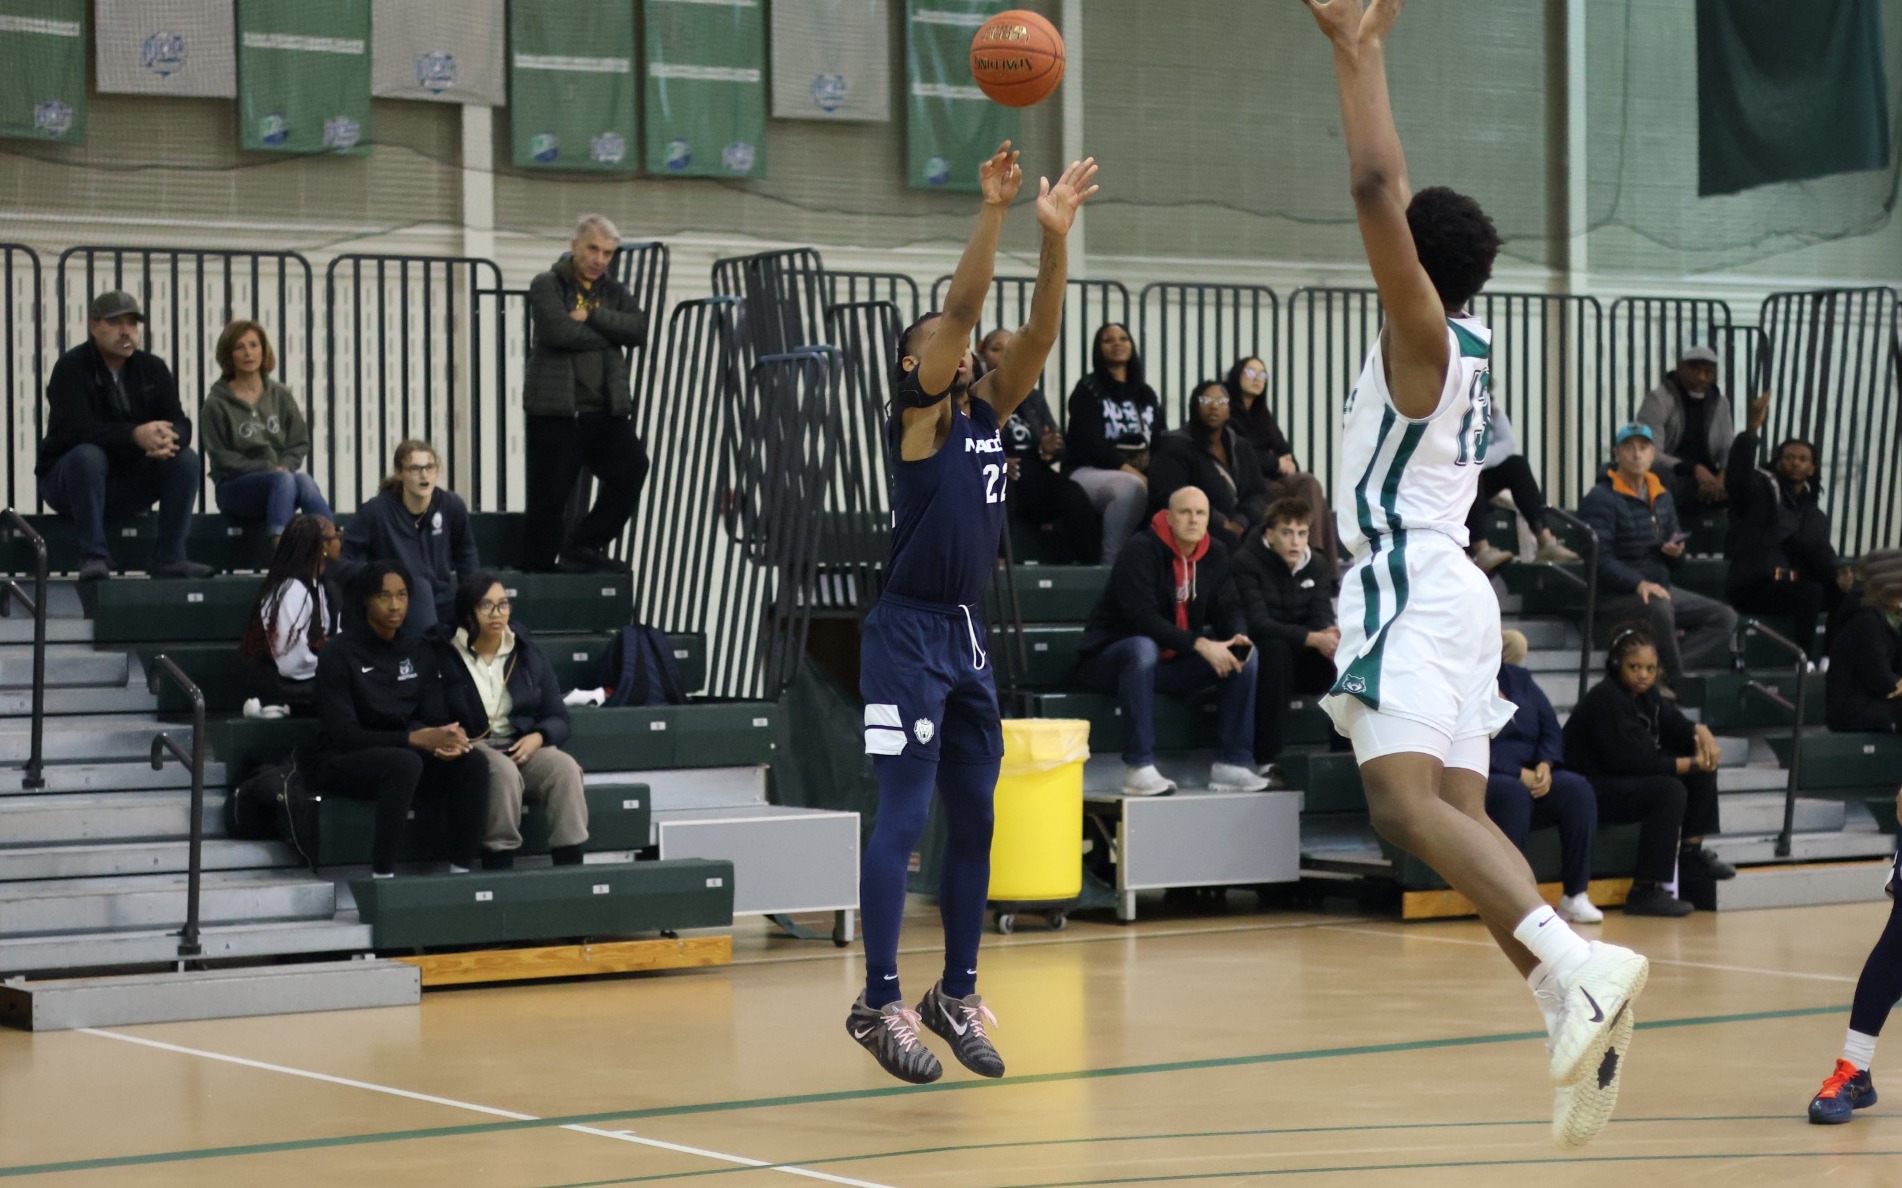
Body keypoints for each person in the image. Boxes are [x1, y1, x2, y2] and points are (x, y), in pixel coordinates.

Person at [1302, 0, 1647, 1151]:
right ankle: (1567, 1004)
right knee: (1455, 816)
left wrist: (1360, 54)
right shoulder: (1473, 349)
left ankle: (1579, 963)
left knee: (1401, 807)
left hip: (1407, 576)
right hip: (1454, 590)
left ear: (1416, 264)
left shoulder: (1424, 337)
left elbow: (1370, 190)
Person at [849, 144, 1097, 1086]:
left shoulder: (992, 414)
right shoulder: (915, 421)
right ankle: (878, 1002)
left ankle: (952, 993)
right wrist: (991, 211)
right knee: (905, 816)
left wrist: (1053, 237)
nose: (962, 347)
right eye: (943, 345)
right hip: (905, 632)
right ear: (917, 362)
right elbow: (963, 312)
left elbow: (1035, 332)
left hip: (963, 632)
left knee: (977, 819)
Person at [1074, 486, 1269, 797]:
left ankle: (1232, 762)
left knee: (1247, 653)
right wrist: (1202, 645)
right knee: (1142, 647)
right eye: (1185, 512)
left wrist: (1237, 636)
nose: (1193, 519)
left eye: (1200, 513)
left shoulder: (1215, 552)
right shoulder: (1141, 549)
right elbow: (1142, 618)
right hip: (1111, 660)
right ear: (1168, 516)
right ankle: (1139, 767)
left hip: (1171, 663)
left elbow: (1229, 605)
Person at [311, 561, 488, 878]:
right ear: (366, 599)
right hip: (344, 760)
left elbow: (432, 716)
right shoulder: (338, 652)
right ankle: (383, 878)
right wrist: (413, 739)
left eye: (403, 595)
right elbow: (343, 734)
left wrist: (445, 737)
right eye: (384, 596)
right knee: (403, 762)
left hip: (408, 756)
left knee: (472, 761)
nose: (395, 605)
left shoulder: (419, 648)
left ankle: (462, 872)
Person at [1562, 622, 1736, 918]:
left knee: (1700, 769)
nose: (1643, 675)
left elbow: (1676, 726)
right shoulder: (1605, 699)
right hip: (1590, 787)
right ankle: (1645, 890)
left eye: (1650, 668)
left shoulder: (1648, 696)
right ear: (1617, 664)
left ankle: (1692, 855)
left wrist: (1700, 732)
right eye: (1635, 667)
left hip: (1623, 779)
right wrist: (1692, 762)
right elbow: (1634, 762)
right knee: (1669, 790)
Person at [37, 291, 213, 582]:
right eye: (116, 322)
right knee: (88, 455)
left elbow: (180, 420)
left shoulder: (152, 368)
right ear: (94, 326)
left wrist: (169, 437)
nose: (126, 332)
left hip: (127, 480)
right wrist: (134, 435)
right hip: (68, 481)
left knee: (185, 460)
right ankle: (94, 555)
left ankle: (170, 557)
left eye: (132, 323)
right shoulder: (70, 368)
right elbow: (77, 429)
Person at [434, 572, 589, 871]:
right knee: (502, 772)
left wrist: (539, 737)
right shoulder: (445, 652)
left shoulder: (526, 651)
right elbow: (434, 712)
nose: (498, 613)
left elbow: (558, 716)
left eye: (503, 604)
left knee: (565, 769)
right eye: (487, 606)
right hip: (472, 746)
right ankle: (499, 862)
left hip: (520, 742)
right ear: (468, 612)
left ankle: (571, 865)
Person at [523, 214, 651, 574]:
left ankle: (583, 544)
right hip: (557, 410)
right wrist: (612, 331)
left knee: (633, 468)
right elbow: (558, 332)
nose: (599, 259)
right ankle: (540, 571)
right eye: (593, 248)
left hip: (605, 410)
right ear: (575, 245)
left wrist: (591, 315)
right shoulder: (547, 284)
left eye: (608, 253)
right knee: (550, 496)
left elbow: (639, 330)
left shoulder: (614, 292)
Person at [1579, 422, 1738, 693]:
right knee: (1659, 608)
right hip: (1615, 593)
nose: (1637, 455)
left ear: (1653, 454)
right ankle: (1676, 680)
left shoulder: (1661, 495)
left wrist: (1676, 553)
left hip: (1660, 586)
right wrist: (1638, 583)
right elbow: (1598, 558)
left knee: (1725, 617)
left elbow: (1677, 558)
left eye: (1643, 448)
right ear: (1617, 454)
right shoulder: (1600, 498)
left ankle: (1656, 668)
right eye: (1629, 448)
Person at [1485, 631, 1601, 925]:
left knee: (1576, 789)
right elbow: (1465, 742)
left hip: (1533, 770)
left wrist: (1546, 764)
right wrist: (1515, 772)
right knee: (1512, 792)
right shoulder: (1461, 684)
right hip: (1489, 773)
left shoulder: (1519, 679)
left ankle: (1575, 896)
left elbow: (1550, 727)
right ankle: (1513, 899)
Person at [1723, 390, 1851, 654]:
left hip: (1793, 585)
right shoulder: (1761, 488)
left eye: (1802, 459)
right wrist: (1750, 431)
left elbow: (1821, 553)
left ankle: (1828, 659)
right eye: (1789, 457)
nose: (1795, 463)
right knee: (1811, 593)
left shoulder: (1814, 515)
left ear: (1812, 468)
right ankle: (1802, 659)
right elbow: (1737, 480)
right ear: (1778, 462)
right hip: (1754, 585)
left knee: (1849, 596)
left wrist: (1840, 574)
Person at [1232, 496, 1338, 778]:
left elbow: (1320, 614)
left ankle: (1345, 752)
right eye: (1286, 533)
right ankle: (1267, 758)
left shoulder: (1317, 564)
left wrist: (1327, 633)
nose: (1295, 541)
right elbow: (1258, 625)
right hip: (1262, 653)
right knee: (1275, 649)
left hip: (1300, 654)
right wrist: (1311, 638)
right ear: (1269, 533)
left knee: (1344, 654)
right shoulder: (1246, 562)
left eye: (1301, 533)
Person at [201, 319, 332, 541]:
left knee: (304, 482)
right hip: (235, 489)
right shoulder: (216, 403)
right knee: (284, 480)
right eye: (239, 347)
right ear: (229, 354)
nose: (248, 353)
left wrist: (284, 466)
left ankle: (334, 544)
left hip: (281, 483)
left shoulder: (280, 394)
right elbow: (221, 457)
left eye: (254, 345)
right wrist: (269, 468)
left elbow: (299, 441)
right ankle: (279, 547)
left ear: (263, 350)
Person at [980, 328, 1100, 565]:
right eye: (996, 349)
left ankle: (1091, 565)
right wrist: (996, 459)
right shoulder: (976, 393)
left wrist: (1047, 449)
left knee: (1072, 492)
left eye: (1011, 351)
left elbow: (1059, 446)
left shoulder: (1032, 397)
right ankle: (999, 560)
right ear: (980, 351)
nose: (1004, 356)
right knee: (1001, 485)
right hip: (995, 475)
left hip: (1033, 475)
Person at [338, 440, 480, 634]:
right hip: (396, 599)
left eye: (429, 467)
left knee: (491, 611)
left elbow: (466, 553)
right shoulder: (376, 511)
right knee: (420, 588)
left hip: (441, 596)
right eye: (415, 468)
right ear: (399, 472)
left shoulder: (451, 505)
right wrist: (380, 576)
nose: (424, 475)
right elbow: (343, 558)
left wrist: (475, 595)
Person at [1222, 355, 1338, 575]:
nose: (1257, 379)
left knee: (1312, 488)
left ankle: (1317, 563)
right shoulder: (1228, 413)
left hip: (1274, 480)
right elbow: (1240, 454)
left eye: (1262, 374)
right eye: (1250, 373)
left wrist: (1281, 461)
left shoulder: (1262, 414)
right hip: (1249, 483)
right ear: (1237, 376)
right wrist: (1273, 461)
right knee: (1307, 484)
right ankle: (1316, 563)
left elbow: (1286, 453)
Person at [1063, 323, 1161, 565]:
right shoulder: (1088, 389)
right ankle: (1110, 563)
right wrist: (1131, 471)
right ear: (1098, 349)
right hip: (1087, 471)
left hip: (1138, 472)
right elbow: (1089, 443)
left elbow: (1159, 438)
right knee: (1131, 488)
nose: (1117, 343)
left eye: (1123, 338)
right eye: (1108, 340)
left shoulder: (1145, 393)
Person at [1145, 380, 1271, 549]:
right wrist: (1221, 522)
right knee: (1228, 542)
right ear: (1194, 407)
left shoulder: (1241, 446)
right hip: (1195, 525)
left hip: (1242, 524)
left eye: (1221, 402)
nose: (1213, 407)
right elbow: (1169, 495)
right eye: (1205, 401)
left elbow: (1258, 493)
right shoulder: (1174, 446)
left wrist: (1241, 521)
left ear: (1228, 411)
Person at [239, 514, 342, 715]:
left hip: (315, 678)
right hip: (286, 687)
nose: (339, 541)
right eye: (334, 537)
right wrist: (337, 666)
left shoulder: (325, 588)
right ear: (321, 547)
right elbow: (291, 662)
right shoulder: (289, 590)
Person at [1463, 404, 1580, 573]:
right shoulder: (1455, 401)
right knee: (1472, 472)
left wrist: (1494, 413)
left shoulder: (1486, 405)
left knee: (1517, 465)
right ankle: (1482, 550)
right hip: (1451, 479)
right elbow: (1464, 457)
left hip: (1476, 477)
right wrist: (1479, 461)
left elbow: (1508, 444)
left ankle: (1546, 541)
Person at [1636, 345, 1734, 516]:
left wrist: (1723, 476)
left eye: (1708, 372)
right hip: (1672, 472)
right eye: (1696, 371)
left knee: (1749, 483)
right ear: (1681, 368)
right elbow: (1650, 453)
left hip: (1709, 476)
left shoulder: (1720, 403)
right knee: (1663, 482)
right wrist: (1693, 468)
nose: (1702, 378)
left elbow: (1727, 447)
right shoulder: (1658, 399)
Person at [1826, 552, 1902, 734]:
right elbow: (1882, 679)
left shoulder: (1891, 616)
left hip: (1877, 701)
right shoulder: (1865, 618)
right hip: (1853, 708)